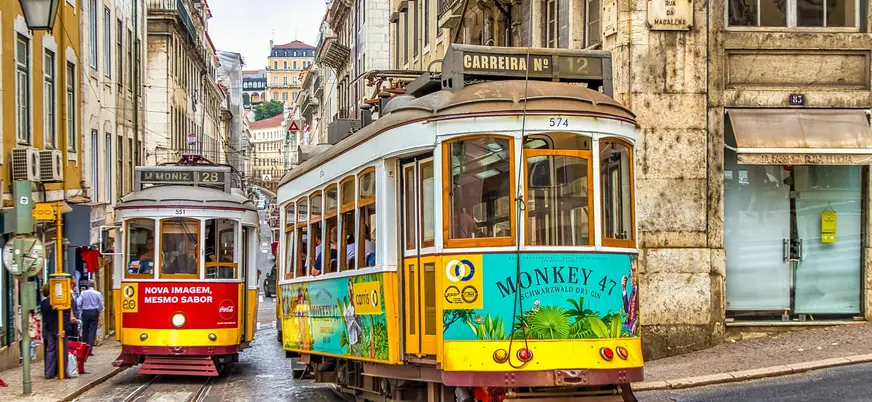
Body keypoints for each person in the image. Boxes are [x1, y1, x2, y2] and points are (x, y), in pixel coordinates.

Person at [40, 283, 70, 379]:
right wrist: (65, 328)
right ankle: (62, 372)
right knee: (62, 350)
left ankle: (49, 372)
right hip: (60, 328)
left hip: (50, 328)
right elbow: (65, 316)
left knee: (50, 350)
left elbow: (45, 317)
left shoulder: (44, 303)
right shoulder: (60, 300)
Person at [77, 280, 104, 354]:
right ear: (94, 285)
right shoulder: (97, 293)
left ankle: (84, 348)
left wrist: (80, 310)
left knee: (85, 330)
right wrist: (99, 311)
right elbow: (101, 305)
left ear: (88, 285)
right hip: (94, 312)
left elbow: (78, 303)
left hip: (85, 312)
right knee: (92, 331)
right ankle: (89, 349)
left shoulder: (83, 293)